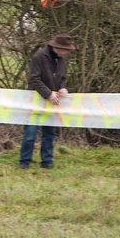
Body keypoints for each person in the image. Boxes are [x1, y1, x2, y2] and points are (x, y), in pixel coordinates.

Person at [19, 34, 76, 169]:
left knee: (49, 133)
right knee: (30, 134)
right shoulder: (39, 57)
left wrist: (62, 87)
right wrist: (48, 93)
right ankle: (24, 162)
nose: (66, 52)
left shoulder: (61, 59)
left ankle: (47, 161)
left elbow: (62, 77)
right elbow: (34, 79)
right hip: (35, 100)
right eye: (65, 49)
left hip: (53, 102)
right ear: (56, 47)